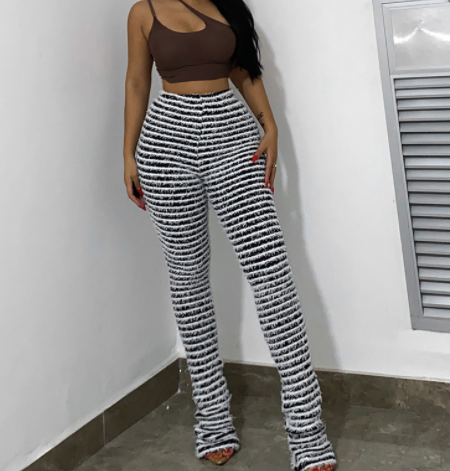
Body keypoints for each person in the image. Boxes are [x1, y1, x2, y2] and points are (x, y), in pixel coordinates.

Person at [123, 1, 337, 470]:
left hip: (232, 135)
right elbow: (137, 81)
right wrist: (128, 153)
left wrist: (269, 123)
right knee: (188, 282)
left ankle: (307, 430)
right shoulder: (143, 11)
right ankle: (213, 420)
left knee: (272, 277)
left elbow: (246, 70)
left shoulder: (228, 6)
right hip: (165, 143)